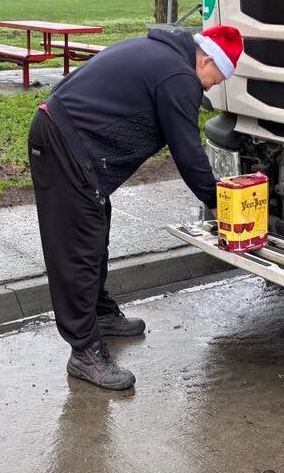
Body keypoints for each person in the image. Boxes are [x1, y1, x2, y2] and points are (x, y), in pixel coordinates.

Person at [28, 24, 244, 390]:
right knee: (78, 248)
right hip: (64, 143)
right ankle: (84, 352)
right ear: (206, 60)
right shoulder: (179, 76)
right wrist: (219, 203)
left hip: (70, 139)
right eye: (217, 78)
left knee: (95, 229)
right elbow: (188, 152)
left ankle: (99, 313)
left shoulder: (163, 56)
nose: (211, 87)